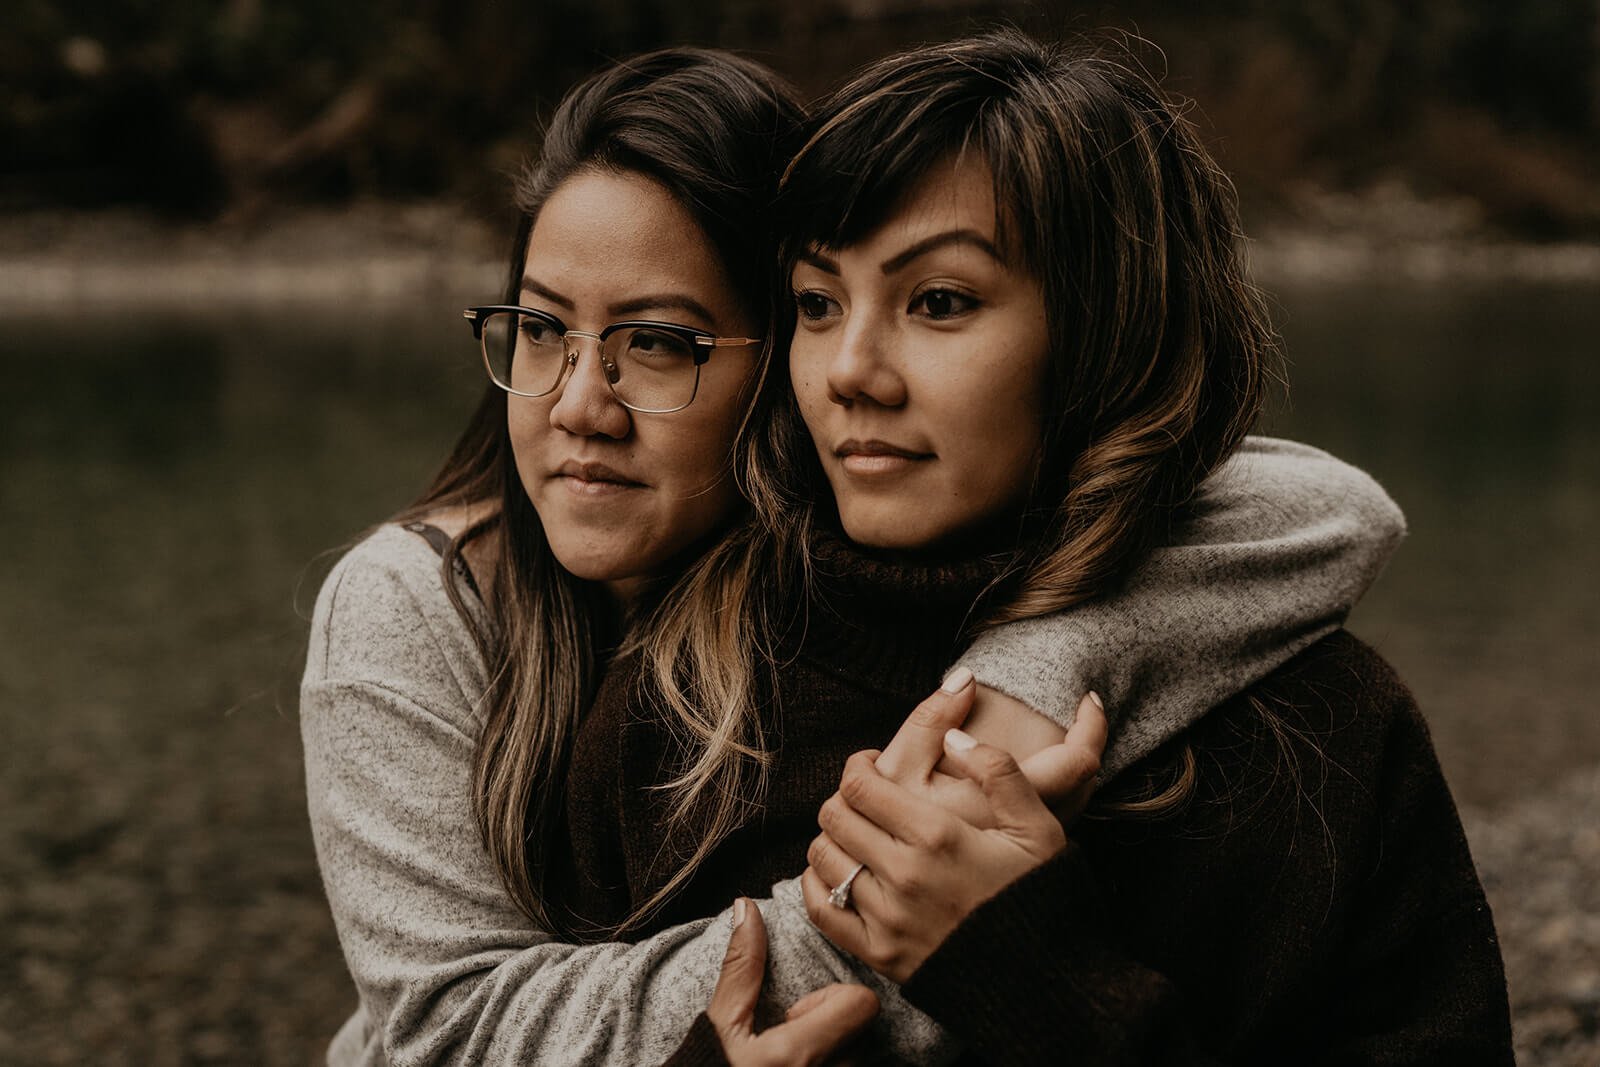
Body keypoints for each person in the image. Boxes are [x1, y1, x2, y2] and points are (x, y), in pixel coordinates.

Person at [300, 46, 1408, 1067]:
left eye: (658, 342)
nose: (578, 404)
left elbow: (1314, 500)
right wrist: (902, 891)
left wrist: (1030, 678)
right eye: (541, 329)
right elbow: (441, 1030)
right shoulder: (443, 613)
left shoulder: (805, 592)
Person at [594, 31, 1509, 1064]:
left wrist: (1030, 976)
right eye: (816, 303)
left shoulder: (1319, 724)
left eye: (938, 301)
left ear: (1108, 330)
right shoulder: (688, 684)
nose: (849, 370)